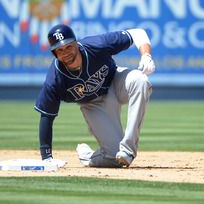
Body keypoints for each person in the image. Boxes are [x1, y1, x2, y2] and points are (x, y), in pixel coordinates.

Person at [34, 24, 155, 168]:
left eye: (69, 47)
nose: (66, 52)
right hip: (93, 104)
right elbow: (47, 116)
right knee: (113, 158)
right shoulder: (55, 79)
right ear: (54, 54)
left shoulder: (95, 45)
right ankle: (88, 157)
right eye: (60, 50)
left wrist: (146, 55)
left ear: (76, 44)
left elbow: (138, 33)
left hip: (115, 82)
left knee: (140, 80)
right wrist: (46, 157)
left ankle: (128, 150)